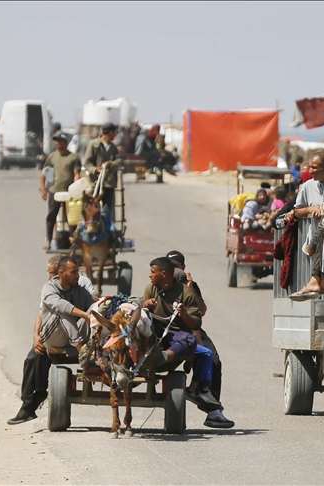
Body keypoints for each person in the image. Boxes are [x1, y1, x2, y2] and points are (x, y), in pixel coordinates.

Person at [8, 256, 95, 425]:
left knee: (91, 311)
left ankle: (37, 397)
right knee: (33, 357)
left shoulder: (82, 286)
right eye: (74, 272)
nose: (50, 276)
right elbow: (47, 311)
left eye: (52, 273)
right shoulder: (49, 288)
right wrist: (36, 336)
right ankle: (27, 405)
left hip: (74, 334)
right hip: (54, 334)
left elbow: (91, 305)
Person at [141, 257, 229, 421]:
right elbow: (141, 315)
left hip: (177, 336)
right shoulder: (151, 288)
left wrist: (184, 314)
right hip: (154, 333)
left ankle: (203, 395)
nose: (149, 276)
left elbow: (196, 323)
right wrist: (145, 305)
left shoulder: (187, 292)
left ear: (164, 273)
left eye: (153, 272)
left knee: (206, 353)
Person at [165, 250, 235, 428]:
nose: (175, 272)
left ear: (183, 268)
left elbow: (201, 310)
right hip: (166, 330)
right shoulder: (159, 282)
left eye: (177, 268)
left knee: (213, 359)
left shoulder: (190, 286)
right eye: (171, 268)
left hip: (191, 329)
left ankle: (212, 410)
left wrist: (190, 287)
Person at [285, 151, 324, 298]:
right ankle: (314, 283)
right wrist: (310, 209)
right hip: (313, 246)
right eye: (309, 167)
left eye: (314, 168)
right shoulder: (308, 186)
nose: (310, 171)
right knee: (318, 298)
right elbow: (296, 211)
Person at [40, 132, 81, 251]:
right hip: (55, 192)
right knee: (51, 217)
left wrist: (77, 186)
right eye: (57, 141)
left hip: (69, 192)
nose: (59, 144)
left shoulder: (73, 157)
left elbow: (76, 174)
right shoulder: (52, 157)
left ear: (66, 143)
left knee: (71, 218)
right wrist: (43, 189)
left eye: (61, 141)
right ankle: (48, 240)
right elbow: (44, 174)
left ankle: (74, 241)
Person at [83, 123, 120, 224]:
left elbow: (118, 161)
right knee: (93, 208)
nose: (115, 135)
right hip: (95, 183)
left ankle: (108, 232)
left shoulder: (113, 147)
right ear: (108, 133)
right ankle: (91, 229)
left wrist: (110, 164)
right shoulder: (94, 145)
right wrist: (95, 169)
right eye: (114, 133)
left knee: (107, 210)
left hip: (109, 183)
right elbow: (87, 162)